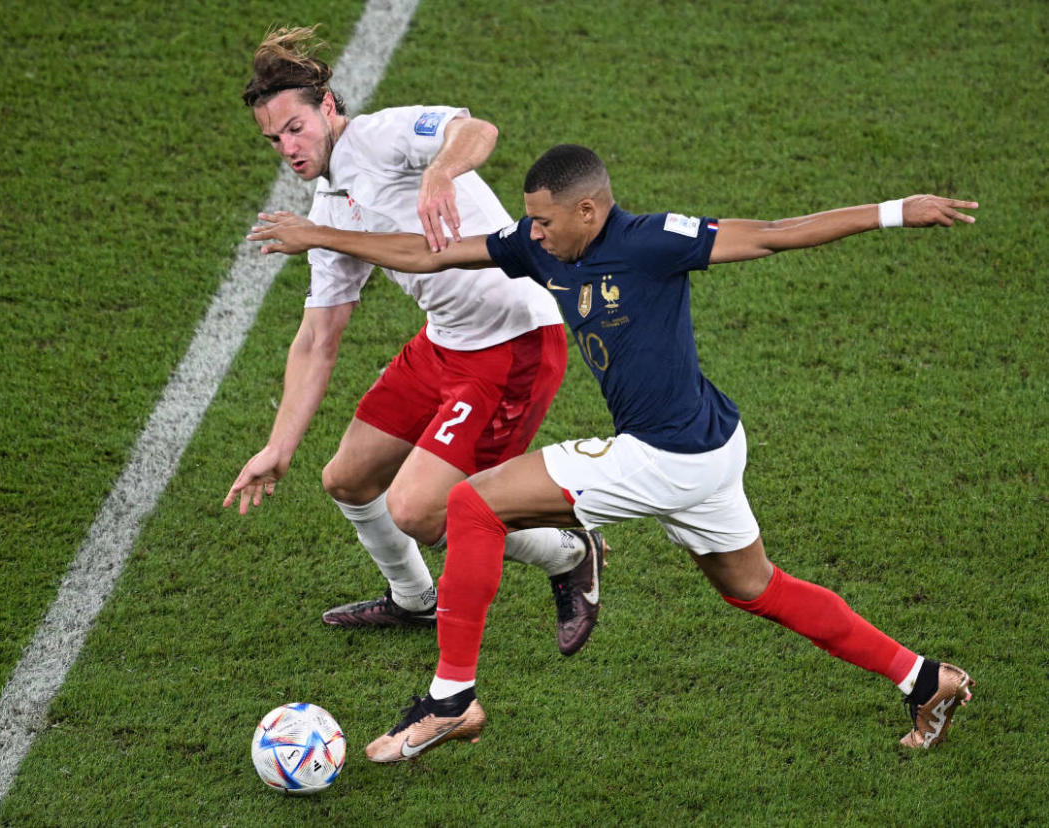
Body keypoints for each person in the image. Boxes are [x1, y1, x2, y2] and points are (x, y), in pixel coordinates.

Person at [246, 143, 978, 760]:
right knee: (755, 589)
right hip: (711, 446)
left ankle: (452, 699)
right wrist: (322, 238)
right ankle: (923, 679)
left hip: (666, 455)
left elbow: (776, 232)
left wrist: (896, 211)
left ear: (588, 211)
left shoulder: (655, 242)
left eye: (542, 218)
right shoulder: (539, 248)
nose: (530, 231)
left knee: (469, 502)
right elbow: (428, 255)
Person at [223, 28, 609, 656]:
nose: (287, 148)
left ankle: (569, 549)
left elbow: (476, 130)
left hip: (513, 343)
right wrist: (278, 446)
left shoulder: (380, 136)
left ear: (325, 108)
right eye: (273, 139)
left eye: (294, 128)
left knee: (422, 511)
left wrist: (439, 173)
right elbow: (318, 337)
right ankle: (413, 599)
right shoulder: (328, 209)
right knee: (347, 479)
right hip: (445, 344)